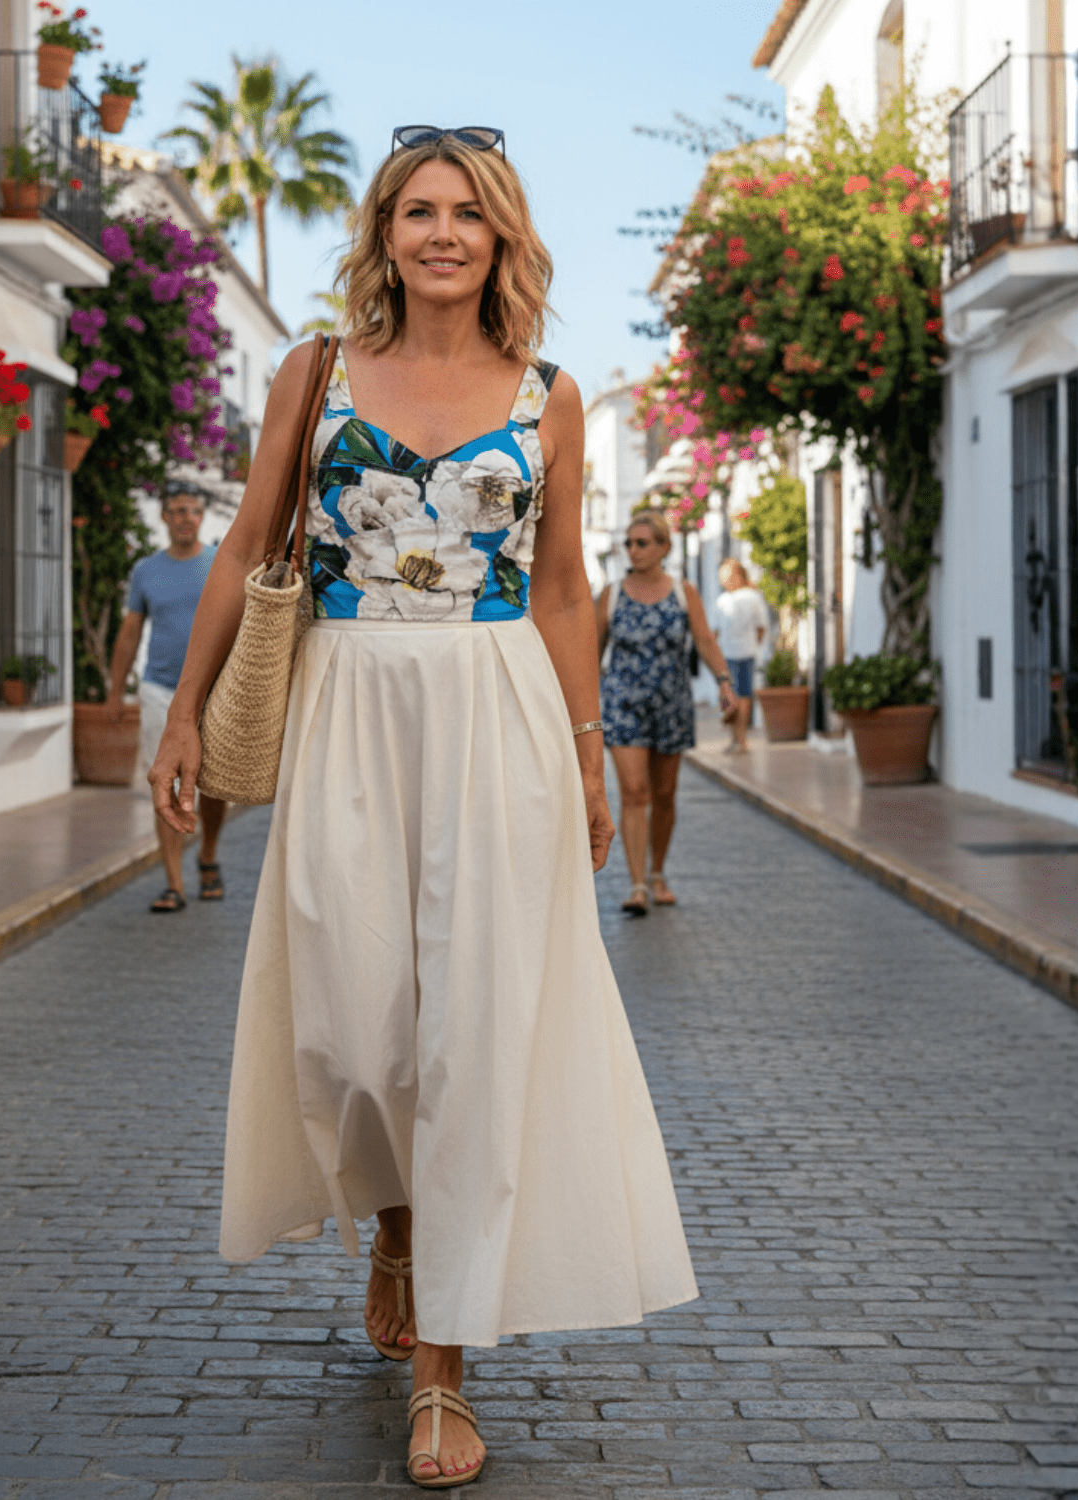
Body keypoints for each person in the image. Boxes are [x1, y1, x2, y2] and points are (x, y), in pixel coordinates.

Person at [148, 127, 697, 1489]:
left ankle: (445, 1370)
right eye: (416, 210)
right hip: (346, 706)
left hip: (499, 709)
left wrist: (586, 746)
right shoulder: (312, 373)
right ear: (384, 230)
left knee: (469, 1030)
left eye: (467, 213)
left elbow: (563, 587)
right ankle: (393, 1217)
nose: (441, 233)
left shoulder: (552, 393)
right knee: (353, 1023)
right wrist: (180, 710)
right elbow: (246, 539)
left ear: (502, 236)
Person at [595, 510, 738, 913]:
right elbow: (589, 653)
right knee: (633, 792)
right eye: (629, 543)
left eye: (642, 543)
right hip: (623, 704)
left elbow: (705, 640)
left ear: (663, 547)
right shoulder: (612, 594)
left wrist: (725, 682)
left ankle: (658, 873)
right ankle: (637, 884)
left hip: (671, 704)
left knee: (665, 794)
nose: (633, 550)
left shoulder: (682, 592)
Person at [107, 487, 227, 913]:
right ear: (164, 517)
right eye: (178, 511)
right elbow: (129, 633)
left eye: (194, 511)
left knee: (214, 784)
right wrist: (115, 690)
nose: (186, 518)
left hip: (214, 689)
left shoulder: (218, 565)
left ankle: (208, 852)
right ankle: (174, 883)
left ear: (202, 518)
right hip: (160, 689)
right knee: (165, 779)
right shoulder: (146, 571)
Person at [713, 558, 770, 753]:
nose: (724, 581)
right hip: (731, 653)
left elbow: (760, 628)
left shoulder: (748, 597)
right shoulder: (727, 599)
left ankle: (740, 740)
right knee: (733, 695)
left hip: (740, 654)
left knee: (740, 695)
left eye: (727, 577)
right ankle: (736, 739)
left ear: (738, 576)